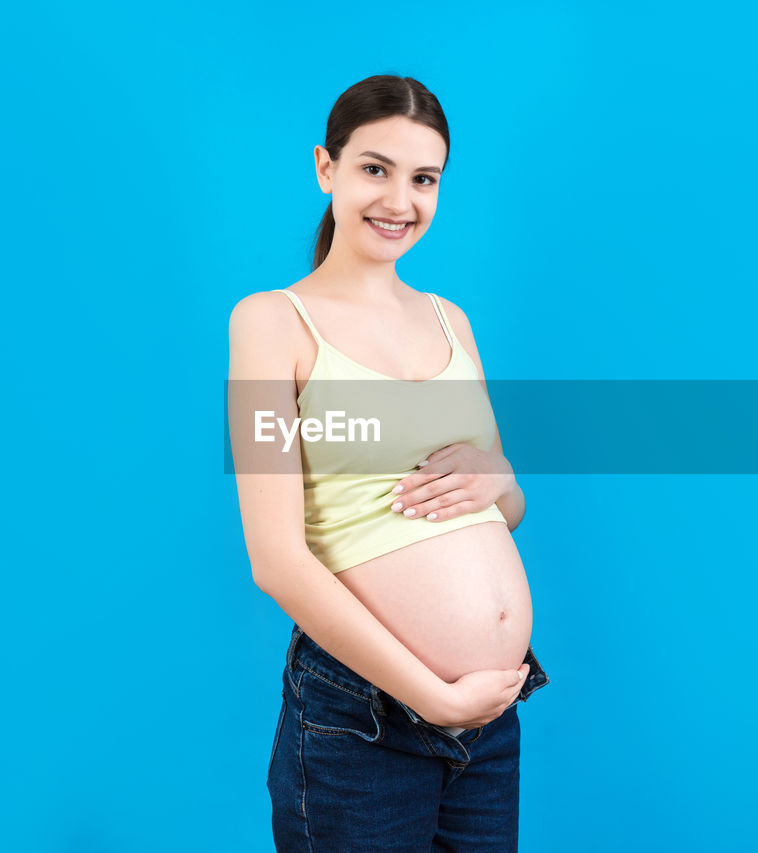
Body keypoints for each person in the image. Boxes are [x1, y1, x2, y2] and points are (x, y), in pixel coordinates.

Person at [227, 74, 551, 852]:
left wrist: (501, 477)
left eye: (423, 178)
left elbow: (499, 509)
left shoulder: (451, 320)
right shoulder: (273, 323)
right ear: (325, 167)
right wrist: (434, 695)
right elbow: (277, 561)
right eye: (376, 168)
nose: (399, 200)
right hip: (365, 717)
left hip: (488, 720)